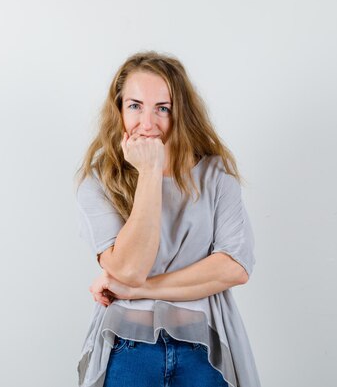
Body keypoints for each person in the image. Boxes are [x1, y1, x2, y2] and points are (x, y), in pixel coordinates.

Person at [74, 51, 260, 387]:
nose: (147, 124)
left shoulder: (216, 177)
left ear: (181, 113)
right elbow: (130, 268)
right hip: (128, 349)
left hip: (203, 348)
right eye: (135, 106)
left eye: (163, 108)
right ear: (118, 110)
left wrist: (134, 290)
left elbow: (234, 267)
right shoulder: (99, 181)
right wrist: (148, 172)